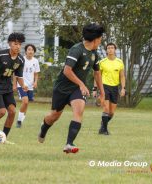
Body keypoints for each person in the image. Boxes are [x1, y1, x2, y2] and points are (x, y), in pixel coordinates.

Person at [37, 23, 105, 153]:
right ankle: (44, 128)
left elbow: (97, 73)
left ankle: (69, 144)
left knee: (79, 111)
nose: (100, 41)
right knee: (54, 116)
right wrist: (81, 83)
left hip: (77, 90)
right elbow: (67, 71)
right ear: (95, 38)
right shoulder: (76, 49)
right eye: (100, 38)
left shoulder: (94, 53)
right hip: (62, 88)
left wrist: (102, 93)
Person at [93, 42, 125, 135]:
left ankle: (103, 125)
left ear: (115, 50)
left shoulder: (120, 62)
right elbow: (97, 76)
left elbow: (122, 76)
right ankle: (105, 131)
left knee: (111, 113)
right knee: (106, 109)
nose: (110, 49)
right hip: (104, 87)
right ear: (106, 50)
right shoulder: (102, 62)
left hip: (115, 88)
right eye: (108, 48)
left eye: (112, 48)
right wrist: (95, 89)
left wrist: (123, 88)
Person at [13, 44, 40, 128]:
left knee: (27, 104)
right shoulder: (21, 60)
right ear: (25, 51)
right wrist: (14, 84)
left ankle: (21, 120)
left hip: (30, 86)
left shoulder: (35, 61)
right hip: (21, 85)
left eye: (32, 50)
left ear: (34, 52)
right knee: (25, 101)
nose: (30, 51)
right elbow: (15, 73)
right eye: (29, 49)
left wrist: (35, 82)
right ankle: (19, 121)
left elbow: (36, 73)